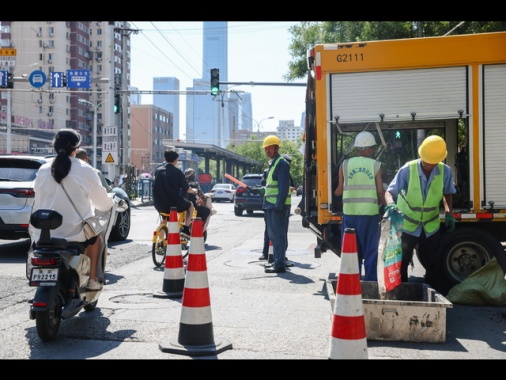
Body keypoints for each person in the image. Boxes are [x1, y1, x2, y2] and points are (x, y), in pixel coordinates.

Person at [30, 129, 114, 291]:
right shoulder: (86, 170)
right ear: (76, 148)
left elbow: (37, 195)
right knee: (96, 237)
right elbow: (103, 205)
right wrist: (111, 200)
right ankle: (92, 279)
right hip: (74, 234)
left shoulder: (43, 170)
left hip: (44, 234)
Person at [384, 135, 456, 293]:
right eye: (427, 161)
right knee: (402, 262)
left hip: (430, 225)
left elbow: (448, 193)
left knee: (432, 262)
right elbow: (390, 191)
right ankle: (401, 292)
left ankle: (432, 294)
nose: (430, 165)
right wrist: (390, 204)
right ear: (421, 155)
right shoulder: (407, 170)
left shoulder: (445, 171)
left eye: (434, 162)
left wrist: (449, 212)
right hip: (407, 224)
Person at [334, 131, 386, 281]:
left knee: (351, 250)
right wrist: (387, 205)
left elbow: (339, 190)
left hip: (349, 214)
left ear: (357, 148)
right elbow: (380, 190)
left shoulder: (345, 165)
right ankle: (370, 282)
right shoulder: (375, 165)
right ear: (369, 149)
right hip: (369, 215)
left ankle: (352, 282)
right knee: (370, 250)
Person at [261, 135, 292, 274]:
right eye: (266, 148)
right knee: (275, 235)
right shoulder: (273, 163)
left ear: (276, 148)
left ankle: (279, 265)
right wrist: (259, 190)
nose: (267, 150)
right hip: (271, 205)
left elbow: (284, 186)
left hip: (276, 207)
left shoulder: (281, 163)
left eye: (270, 148)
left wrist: (279, 205)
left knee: (278, 236)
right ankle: (278, 262)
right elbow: (270, 186)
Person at [152, 150, 196, 239]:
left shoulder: (158, 171)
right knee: (190, 206)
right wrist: (194, 190)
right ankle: (186, 229)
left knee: (164, 219)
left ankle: (160, 242)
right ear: (176, 160)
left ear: (165, 159)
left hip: (158, 204)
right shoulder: (177, 172)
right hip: (174, 204)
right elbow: (186, 188)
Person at [184, 168, 212, 232]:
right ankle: (197, 224)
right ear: (193, 176)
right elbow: (201, 195)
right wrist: (205, 197)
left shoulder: (182, 183)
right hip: (192, 206)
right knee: (207, 211)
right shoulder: (195, 184)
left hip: (181, 204)